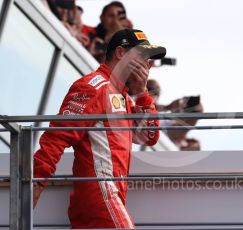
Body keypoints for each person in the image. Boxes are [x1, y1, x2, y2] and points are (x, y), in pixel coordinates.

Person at [33, 29, 167, 229]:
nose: (147, 65)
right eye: (142, 57)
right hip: (99, 194)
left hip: (111, 197)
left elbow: (149, 137)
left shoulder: (122, 97)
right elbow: (56, 137)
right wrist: (36, 182)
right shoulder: (93, 86)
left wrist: (141, 93)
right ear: (120, 53)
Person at [147, 79, 203, 151]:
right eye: (153, 90)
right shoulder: (165, 118)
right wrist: (167, 107)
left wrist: (195, 116)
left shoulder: (178, 133)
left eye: (157, 93)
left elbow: (179, 131)